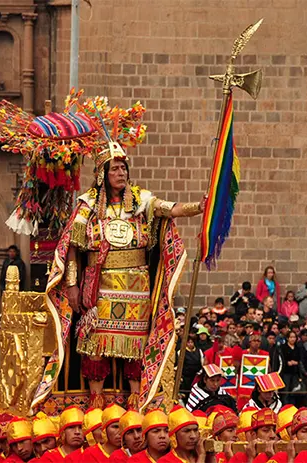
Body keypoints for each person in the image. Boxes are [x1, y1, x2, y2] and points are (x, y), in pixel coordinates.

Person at [45, 116, 206, 406]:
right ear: (103, 173)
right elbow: (71, 247)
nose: (121, 173)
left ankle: (136, 398)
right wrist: (71, 285)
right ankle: (95, 398)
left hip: (137, 283)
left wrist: (199, 207)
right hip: (101, 283)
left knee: (136, 345)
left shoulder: (141, 199)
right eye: (115, 168)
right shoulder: (88, 204)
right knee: (94, 343)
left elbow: (170, 209)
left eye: (124, 168)